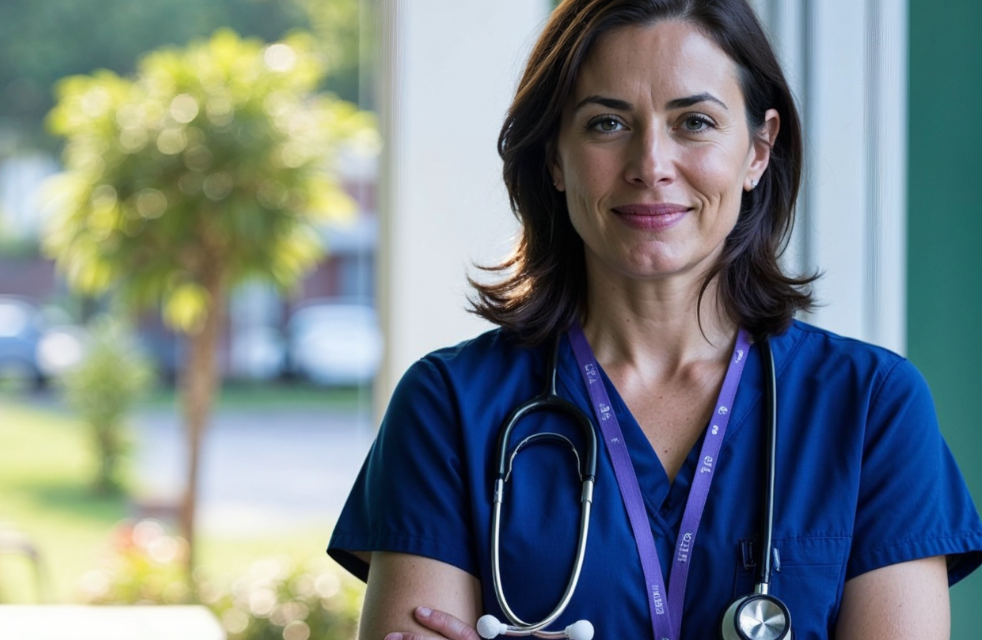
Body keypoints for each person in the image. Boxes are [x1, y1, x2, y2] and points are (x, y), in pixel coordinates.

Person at [326, 0, 982, 639]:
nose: (651, 166)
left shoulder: (871, 408)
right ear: (554, 156)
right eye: (607, 124)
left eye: (694, 122)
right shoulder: (449, 405)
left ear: (758, 149)